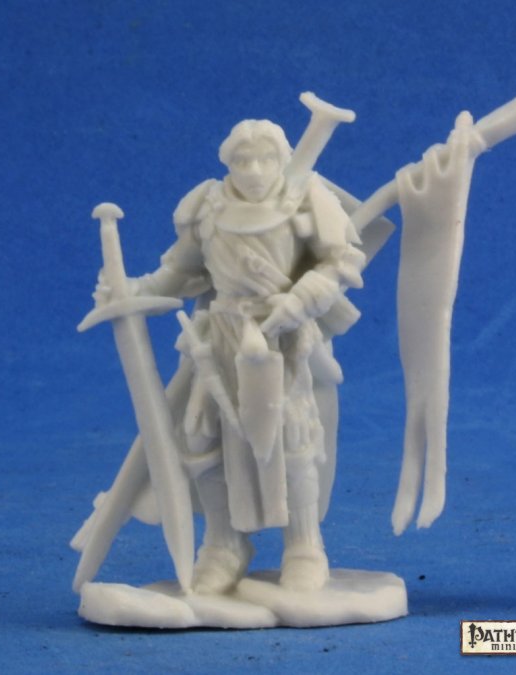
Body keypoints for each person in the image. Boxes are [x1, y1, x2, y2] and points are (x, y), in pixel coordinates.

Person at [105, 119, 366, 594]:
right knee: (201, 436)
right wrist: (132, 289)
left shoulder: (306, 198)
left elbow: (344, 259)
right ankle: (224, 546)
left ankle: (304, 546)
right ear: (228, 162)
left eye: (266, 159)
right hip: (222, 336)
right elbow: (179, 272)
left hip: (283, 337)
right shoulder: (207, 206)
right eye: (243, 160)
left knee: (292, 435)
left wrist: (304, 298)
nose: (255, 170)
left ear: (282, 159)